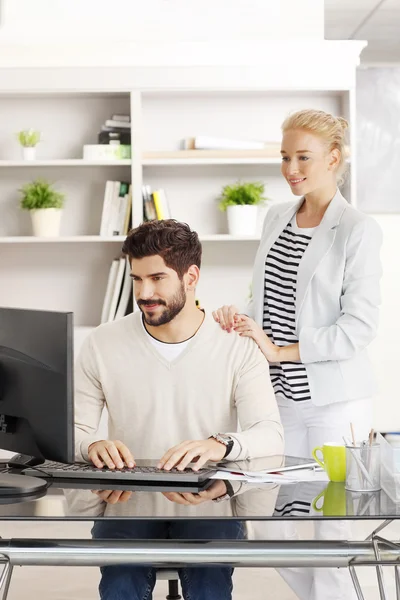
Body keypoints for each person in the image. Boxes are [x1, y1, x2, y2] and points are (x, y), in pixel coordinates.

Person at [213, 108, 383, 600]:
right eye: (285, 156)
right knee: (270, 524)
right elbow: (267, 299)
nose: (291, 168)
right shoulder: (276, 216)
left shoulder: (357, 229)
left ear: (334, 158)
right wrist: (243, 322)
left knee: (333, 534)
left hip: (335, 404)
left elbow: (359, 327)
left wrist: (281, 349)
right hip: (280, 401)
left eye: (303, 157)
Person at [74, 218, 283, 600]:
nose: (145, 292)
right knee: (120, 588)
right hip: (128, 507)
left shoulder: (236, 346)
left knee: (209, 590)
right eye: (137, 279)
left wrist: (221, 445)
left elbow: (269, 433)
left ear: (191, 277)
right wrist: (90, 446)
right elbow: (70, 428)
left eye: (157, 278)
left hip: (209, 506)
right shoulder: (101, 343)